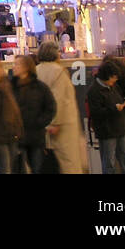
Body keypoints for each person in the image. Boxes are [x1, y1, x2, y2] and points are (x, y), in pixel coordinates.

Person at [35, 41, 85, 174]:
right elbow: (59, 98)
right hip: (63, 125)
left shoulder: (37, 70)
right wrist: (55, 123)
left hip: (44, 124)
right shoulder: (58, 71)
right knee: (68, 162)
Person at [87, 61, 125, 174]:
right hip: (107, 131)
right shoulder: (94, 91)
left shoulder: (113, 87)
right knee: (109, 164)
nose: (115, 80)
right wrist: (114, 108)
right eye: (113, 77)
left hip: (119, 129)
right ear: (106, 76)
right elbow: (96, 112)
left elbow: (119, 99)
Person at [12, 55, 56, 174]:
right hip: (17, 137)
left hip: (36, 137)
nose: (14, 67)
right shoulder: (11, 87)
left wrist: (39, 122)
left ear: (26, 67)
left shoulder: (40, 87)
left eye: (17, 64)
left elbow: (50, 108)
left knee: (37, 168)